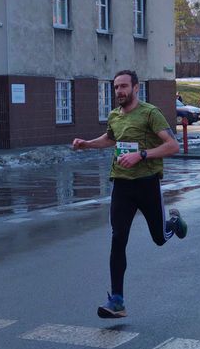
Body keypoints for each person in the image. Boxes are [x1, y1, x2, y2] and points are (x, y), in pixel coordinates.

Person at [72, 70, 188, 319]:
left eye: (124, 86)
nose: (119, 91)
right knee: (118, 238)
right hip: (122, 184)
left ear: (136, 88)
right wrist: (87, 144)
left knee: (159, 237)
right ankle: (117, 300)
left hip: (147, 184)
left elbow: (172, 145)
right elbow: (110, 139)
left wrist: (141, 155)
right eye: (116, 87)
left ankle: (174, 223)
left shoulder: (150, 113)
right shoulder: (114, 115)